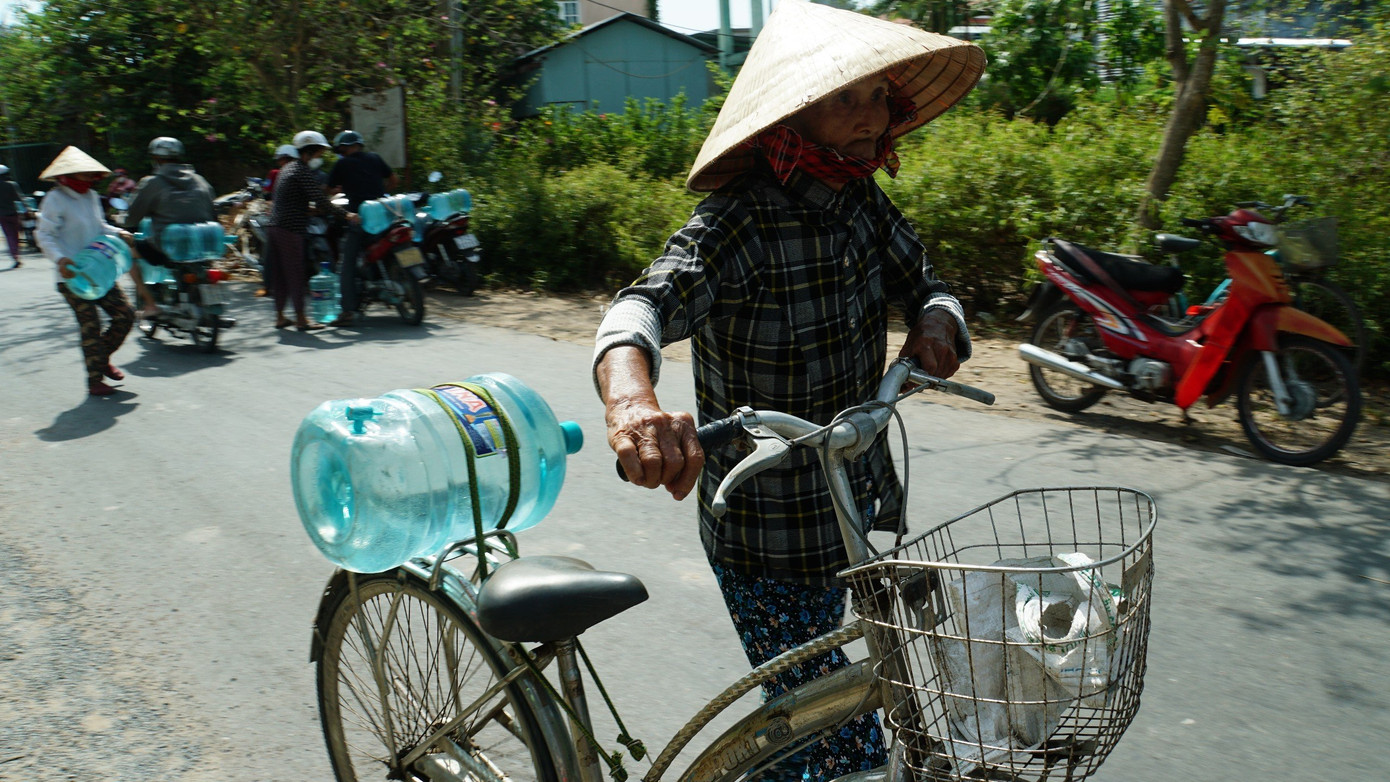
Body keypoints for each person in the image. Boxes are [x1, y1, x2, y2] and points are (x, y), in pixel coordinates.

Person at [592, 3, 984, 780]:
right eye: (847, 98)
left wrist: (937, 326)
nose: (873, 114)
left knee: (826, 712)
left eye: (877, 95)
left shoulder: (862, 204)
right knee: (839, 740)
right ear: (793, 115)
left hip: (850, 507)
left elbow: (933, 286)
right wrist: (631, 401)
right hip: (765, 530)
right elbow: (640, 308)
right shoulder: (736, 225)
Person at [35, 146, 139, 396]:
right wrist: (60, 260)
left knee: (125, 315)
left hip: (98, 270)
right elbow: (43, 234)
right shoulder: (55, 199)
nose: (90, 177)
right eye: (85, 173)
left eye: (92, 173)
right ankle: (94, 380)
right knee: (90, 324)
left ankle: (100, 359)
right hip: (71, 275)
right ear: (69, 174)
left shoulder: (91, 196)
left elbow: (99, 226)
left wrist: (119, 232)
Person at [267, 130, 359, 330]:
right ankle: (301, 319)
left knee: (281, 274)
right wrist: (346, 215)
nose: (321, 156)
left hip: (275, 226)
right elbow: (320, 199)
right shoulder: (301, 170)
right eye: (319, 152)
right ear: (310, 151)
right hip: (289, 228)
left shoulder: (287, 169)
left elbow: (292, 201)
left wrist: (312, 210)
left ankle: (281, 316)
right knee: (296, 273)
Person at [123, 136, 219, 316]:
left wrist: (126, 223)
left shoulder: (152, 182)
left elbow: (133, 217)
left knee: (128, 254)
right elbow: (213, 213)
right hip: (204, 242)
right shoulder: (200, 180)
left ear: (156, 159)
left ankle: (150, 304)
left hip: (167, 246)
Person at [324, 129, 397, 327]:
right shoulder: (375, 158)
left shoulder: (342, 163)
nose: (340, 152)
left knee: (346, 265)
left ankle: (348, 310)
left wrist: (338, 190)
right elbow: (394, 180)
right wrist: (381, 194)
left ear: (345, 148)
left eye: (341, 149)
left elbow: (329, 190)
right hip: (385, 213)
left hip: (361, 218)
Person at [0, 166, 26, 268]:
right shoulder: (11, 184)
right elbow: (20, 198)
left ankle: (15, 256)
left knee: (9, 235)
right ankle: (17, 255)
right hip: (14, 213)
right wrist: (27, 209)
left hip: (2, 215)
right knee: (17, 234)